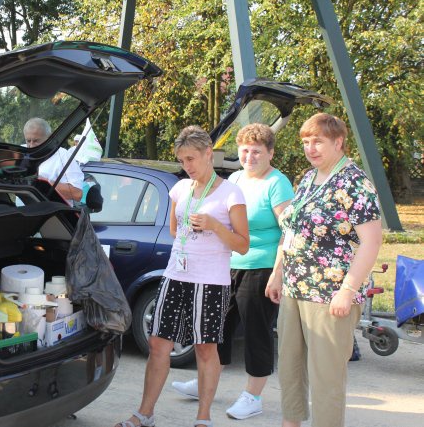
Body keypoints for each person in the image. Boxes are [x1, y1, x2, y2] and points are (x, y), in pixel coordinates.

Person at [115, 125, 249, 427]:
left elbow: (242, 244)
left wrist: (215, 226)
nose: (186, 166)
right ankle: (144, 414)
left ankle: (203, 418)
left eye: (191, 159)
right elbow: (176, 231)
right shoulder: (180, 188)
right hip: (175, 276)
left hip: (211, 282)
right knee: (158, 344)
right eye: (182, 160)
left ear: (207, 154)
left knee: (205, 348)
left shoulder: (231, 192)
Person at [265, 113, 382, 427]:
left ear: (338, 142)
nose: (310, 148)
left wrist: (348, 290)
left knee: (326, 378)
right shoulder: (309, 177)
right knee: (289, 368)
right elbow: (292, 230)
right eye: (306, 142)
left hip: (330, 294)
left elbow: (371, 242)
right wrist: (278, 273)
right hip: (294, 286)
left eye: (318, 141)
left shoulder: (354, 182)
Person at [172, 124, 294, 420]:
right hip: (227, 266)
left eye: (256, 151)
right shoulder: (236, 178)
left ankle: (253, 396)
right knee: (218, 328)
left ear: (270, 153)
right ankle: (205, 384)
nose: (249, 156)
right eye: (244, 150)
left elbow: (289, 232)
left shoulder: (277, 183)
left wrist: (278, 273)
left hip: (261, 266)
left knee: (256, 331)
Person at [23, 117, 83, 203]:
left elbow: (77, 193)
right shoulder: (21, 152)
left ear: (49, 138)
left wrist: (41, 183)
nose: (31, 146)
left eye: (36, 141)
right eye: (28, 141)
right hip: (22, 214)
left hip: (54, 215)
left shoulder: (63, 156)